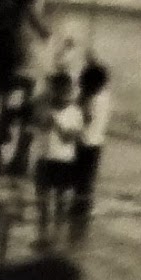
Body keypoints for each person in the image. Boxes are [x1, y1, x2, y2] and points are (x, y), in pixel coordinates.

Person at [34, 70, 83, 247]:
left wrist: (56, 122)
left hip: (64, 160)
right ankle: (42, 236)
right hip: (44, 158)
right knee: (42, 201)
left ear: (69, 91)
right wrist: (45, 111)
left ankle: (56, 235)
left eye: (65, 91)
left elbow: (69, 138)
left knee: (61, 202)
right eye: (57, 90)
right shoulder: (44, 108)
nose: (61, 95)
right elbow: (38, 122)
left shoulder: (75, 112)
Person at [70, 62, 111, 224]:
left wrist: (79, 103)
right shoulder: (105, 96)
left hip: (83, 142)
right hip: (97, 143)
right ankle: (84, 205)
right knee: (87, 177)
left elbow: (85, 119)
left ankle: (80, 207)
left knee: (79, 177)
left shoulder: (90, 98)